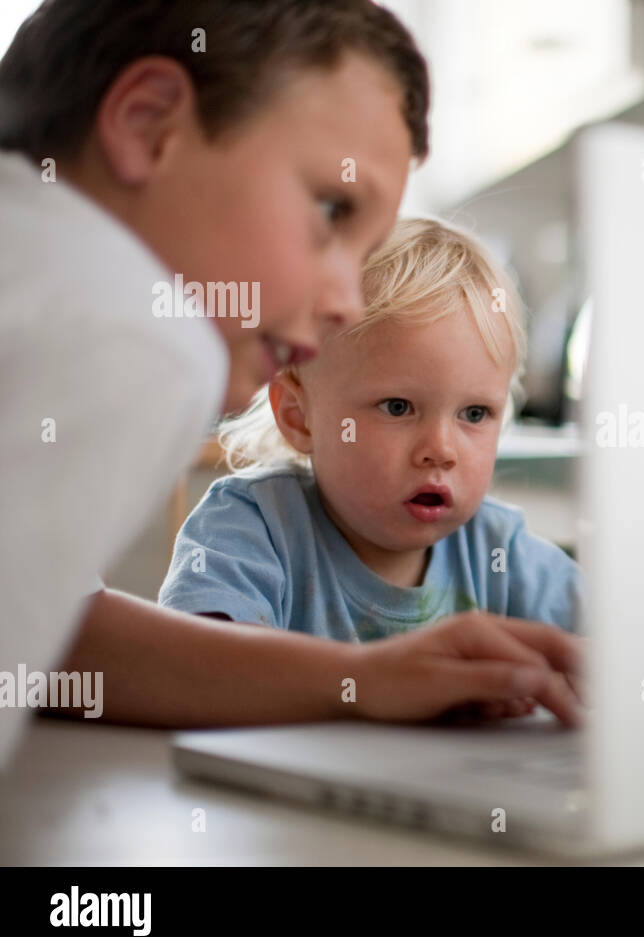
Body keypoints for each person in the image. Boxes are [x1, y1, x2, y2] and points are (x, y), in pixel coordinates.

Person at [0, 0, 584, 766]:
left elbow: (61, 643)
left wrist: (364, 677)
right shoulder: (137, 335)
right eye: (331, 209)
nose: (346, 297)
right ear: (147, 126)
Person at [159, 218, 585, 720]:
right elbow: (196, 669)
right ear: (299, 417)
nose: (441, 450)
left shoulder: (501, 551)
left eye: (474, 414)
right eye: (398, 407)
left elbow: (633, 648)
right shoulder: (253, 527)